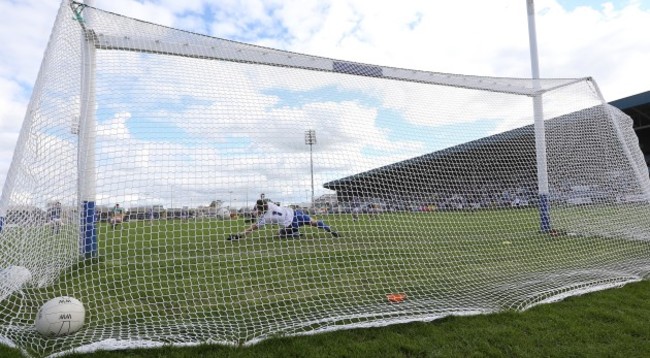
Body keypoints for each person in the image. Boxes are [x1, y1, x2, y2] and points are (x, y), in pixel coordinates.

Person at [228, 199, 339, 240]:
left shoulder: (266, 217)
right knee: (313, 222)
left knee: (278, 235)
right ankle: (328, 228)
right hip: (295, 213)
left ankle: (294, 234)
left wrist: (240, 234)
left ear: (261, 209)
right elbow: (261, 204)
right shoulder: (270, 204)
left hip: (291, 224)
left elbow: (253, 228)